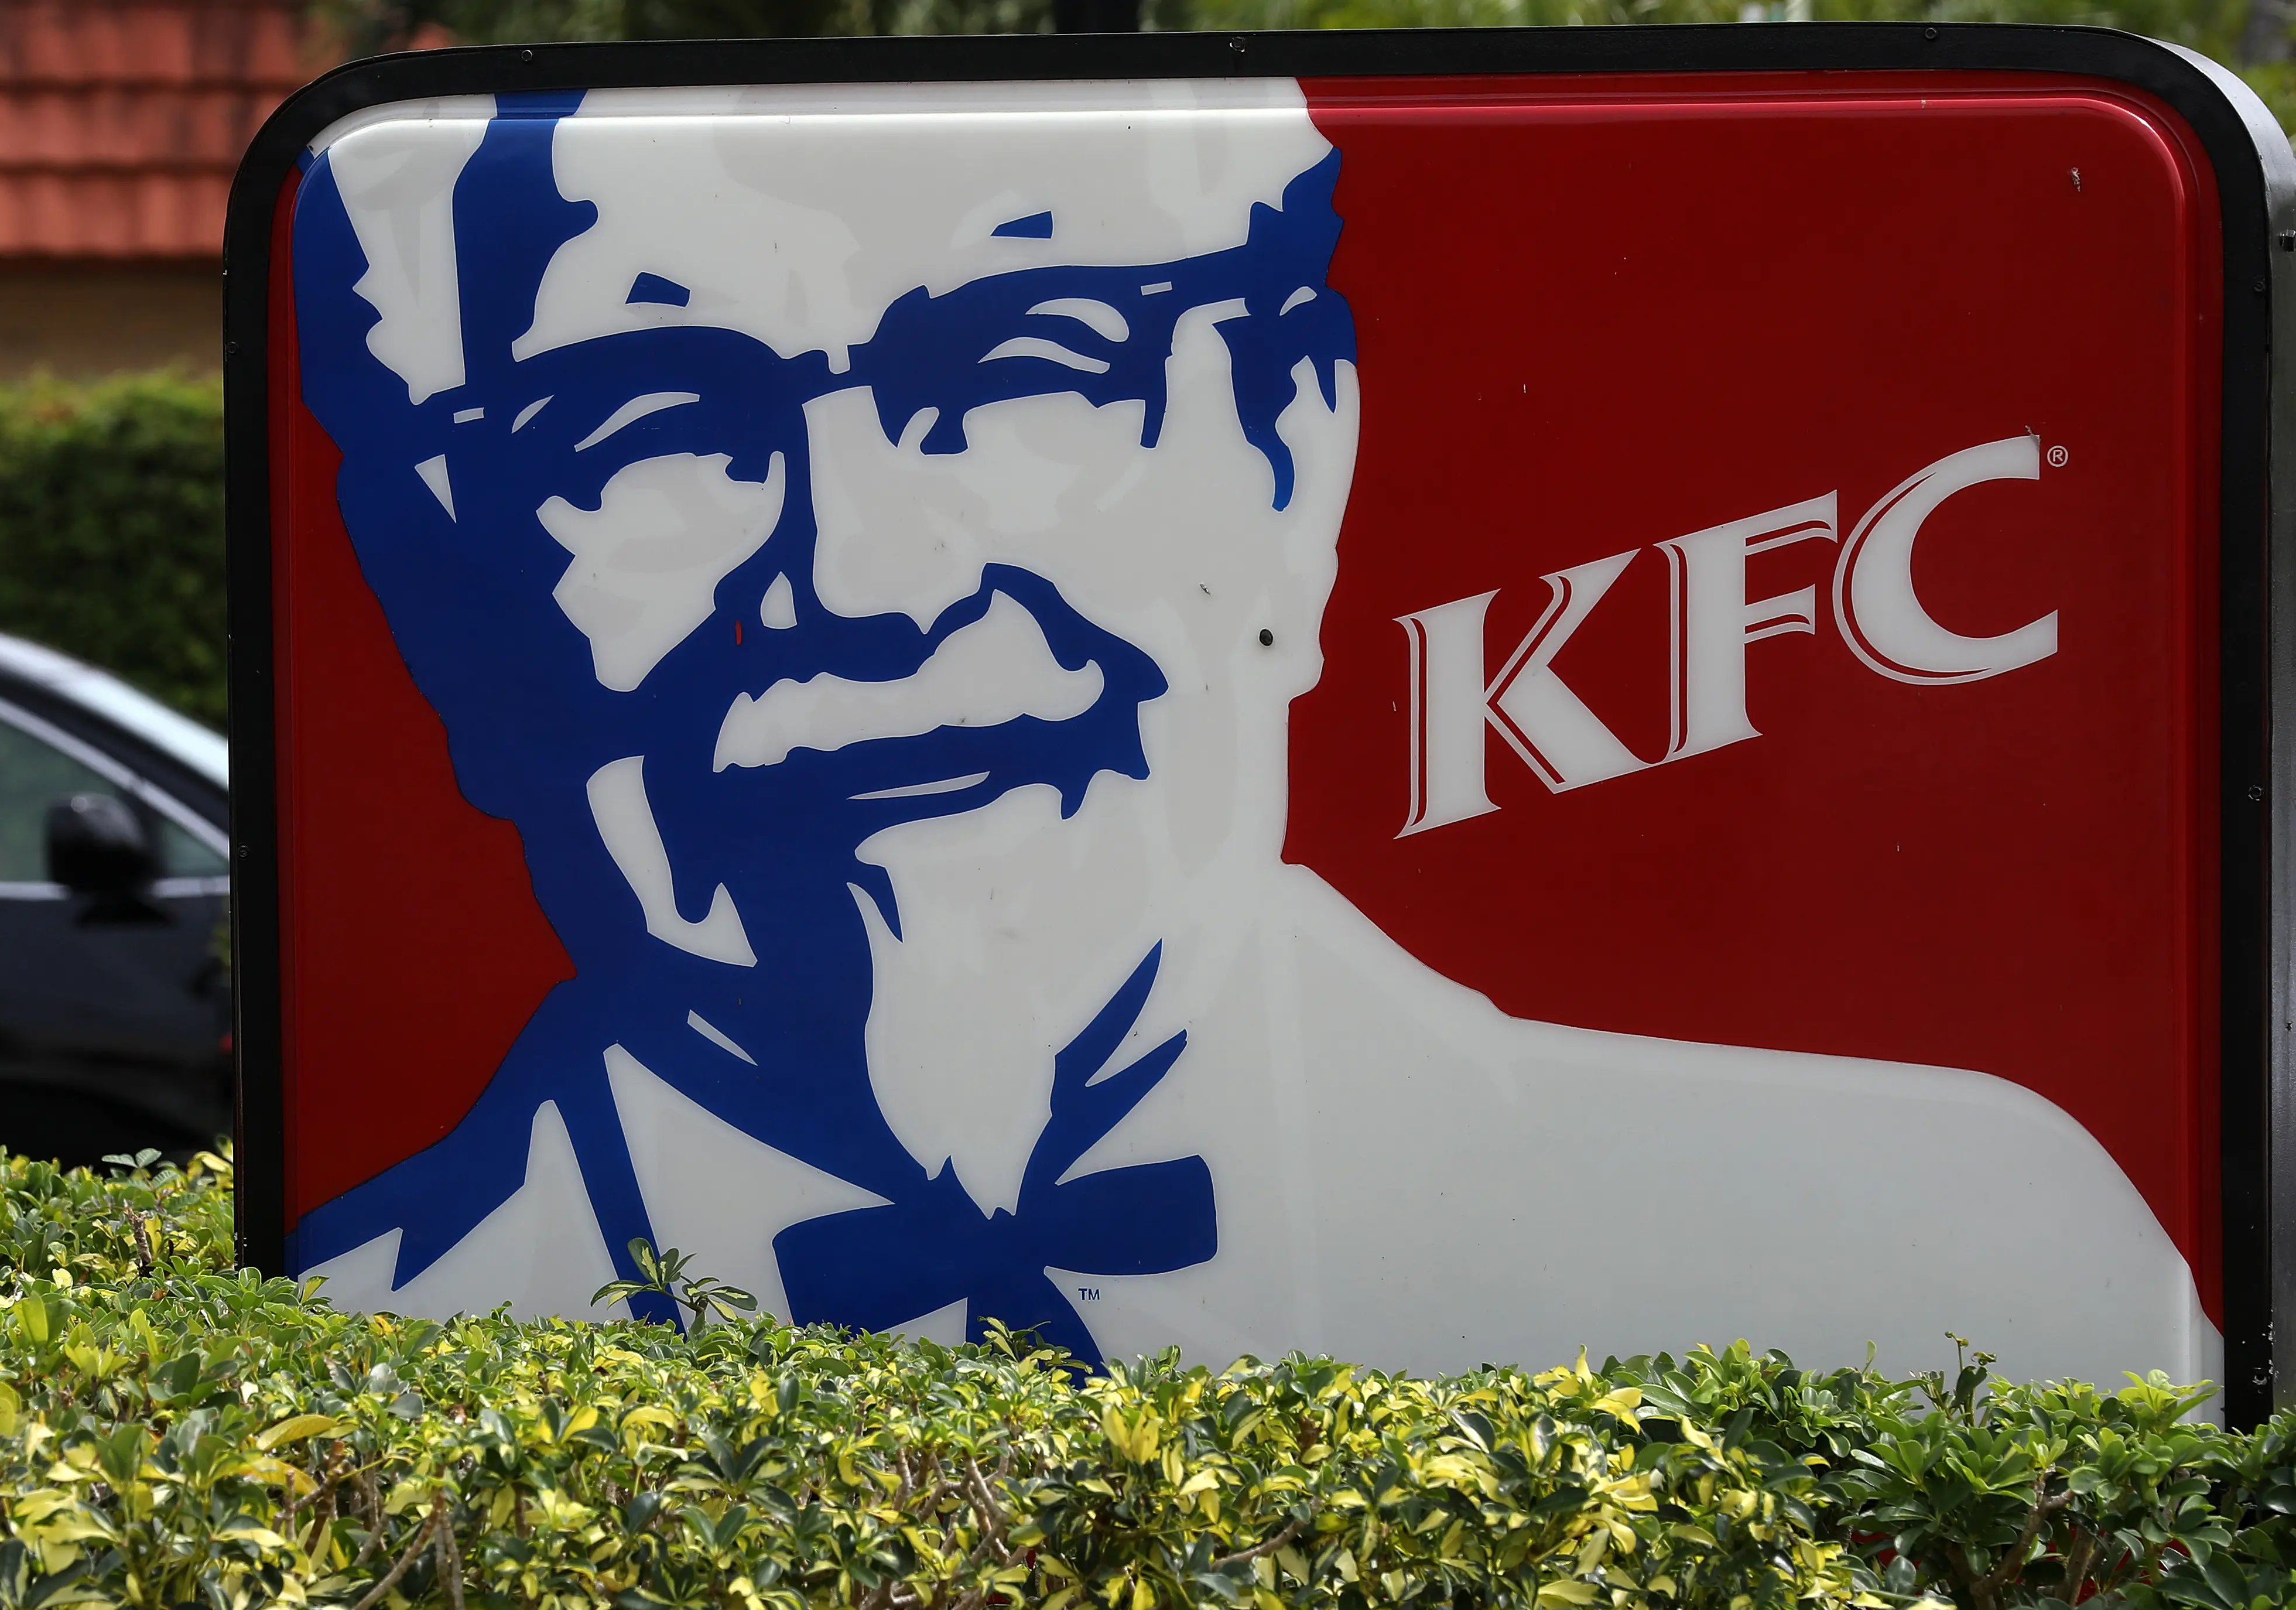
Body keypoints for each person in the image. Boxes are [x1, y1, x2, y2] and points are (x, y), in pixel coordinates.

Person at [283, 83, 2211, 1386]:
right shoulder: (320, 1406)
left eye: (1030, 364)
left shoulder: (1968, 1245)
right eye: (644, 424)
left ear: (1298, 456)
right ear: (443, 601)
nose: (868, 578)